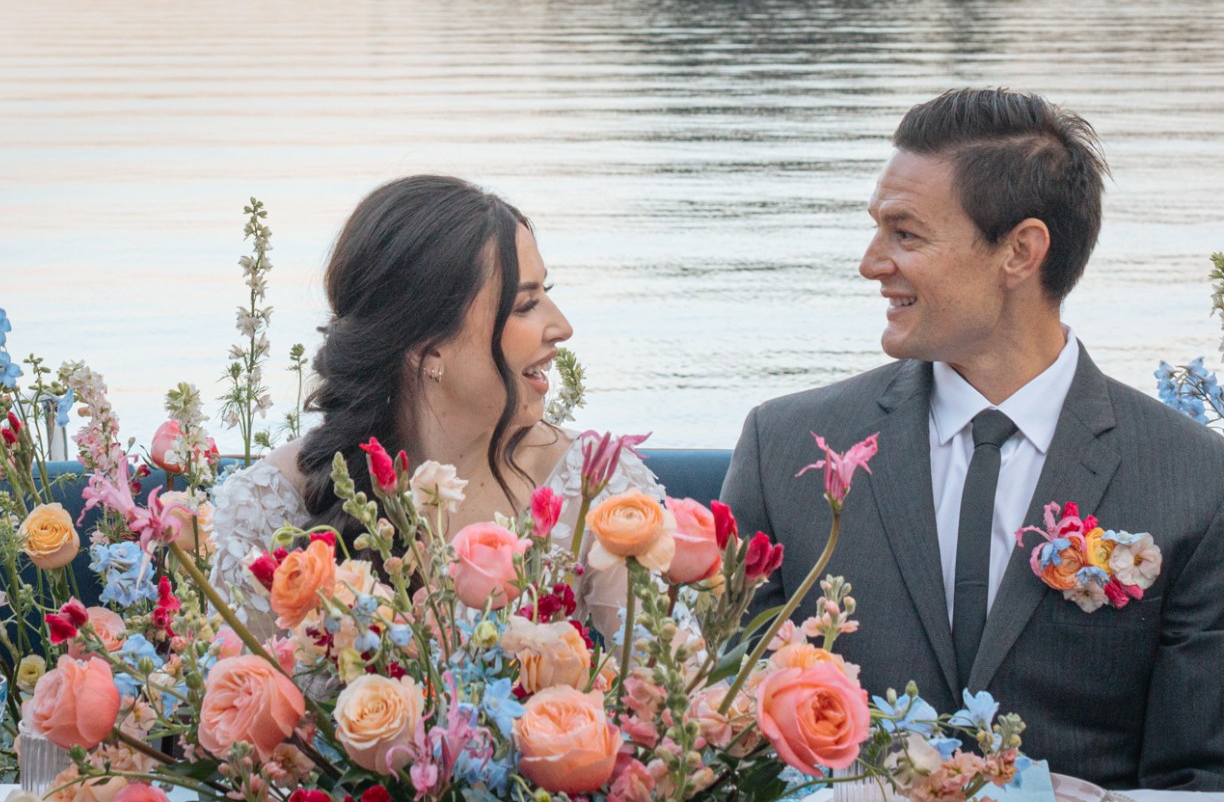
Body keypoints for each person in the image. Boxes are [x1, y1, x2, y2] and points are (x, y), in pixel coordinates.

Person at [724, 88, 1224, 790]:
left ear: (1020, 252)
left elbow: (1200, 778)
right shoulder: (783, 451)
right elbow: (724, 734)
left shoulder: (1196, 481)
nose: (871, 263)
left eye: (906, 234)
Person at [212, 174, 660, 639]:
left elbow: (670, 691)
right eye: (525, 305)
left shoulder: (596, 491)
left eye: (546, 293)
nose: (561, 327)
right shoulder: (270, 509)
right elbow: (239, 695)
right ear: (428, 348)